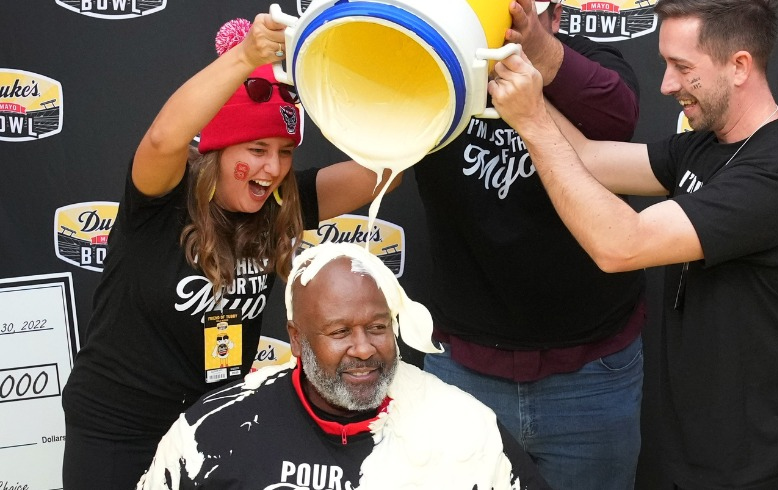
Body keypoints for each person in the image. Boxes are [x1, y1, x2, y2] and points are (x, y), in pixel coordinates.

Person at [489, 0, 778, 488]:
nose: (666, 84)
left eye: (682, 67)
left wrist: (531, 121)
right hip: (687, 448)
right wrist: (523, 88)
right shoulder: (707, 143)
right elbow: (587, 158)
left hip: (757, 462)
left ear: (739, 66)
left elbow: (620, 245)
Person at [61, 14, 397, 490]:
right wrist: (246, 58)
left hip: (214, 427)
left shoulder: (283, 202)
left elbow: (387, 171)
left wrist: (368, 78)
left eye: (284, 151)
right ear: (217, 150)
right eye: (256, 149)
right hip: (119, 429)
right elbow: (162, 139)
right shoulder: (162, 200)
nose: (273, 167)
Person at [414, 1, 646, 488]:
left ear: (556, 18)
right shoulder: (432, 67)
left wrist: (532, 47)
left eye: (519, 12)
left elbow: (618, 115)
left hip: (590, 375)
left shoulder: (594, 64)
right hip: (465, 367)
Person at [136, 243, 552, 490]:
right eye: (340, 332)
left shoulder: (464, 426)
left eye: (377, 327)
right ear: (297, 339)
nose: (364, 349)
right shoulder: (212, 429)